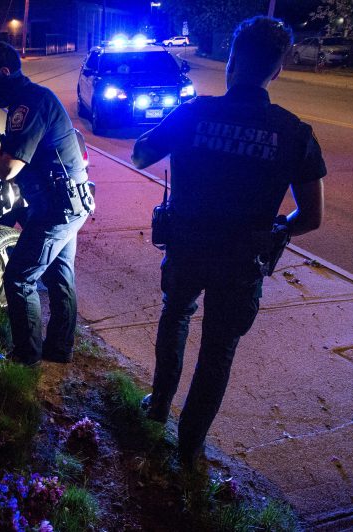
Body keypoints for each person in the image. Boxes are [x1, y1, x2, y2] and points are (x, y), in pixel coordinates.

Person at [131, 17, 326, 465]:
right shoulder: (293, 132)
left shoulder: (195, 112)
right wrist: (273, 231)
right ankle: (190, 449)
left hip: (187, 246)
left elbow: (141, 152)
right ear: (276, 71)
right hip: (242, 261)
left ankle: (158, 406)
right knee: (219, 350)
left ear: (232, 61)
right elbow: (310, 217)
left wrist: (179, 125)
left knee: (175, 314)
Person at [0, 41, 93, 366]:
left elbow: (6, 168)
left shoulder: (28, 106)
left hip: (57, 207)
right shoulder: (30, 100)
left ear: (5, 73)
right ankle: (59, 350)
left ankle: (26, 357)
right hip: (68, 201)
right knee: (59, 275)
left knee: (18, 277)